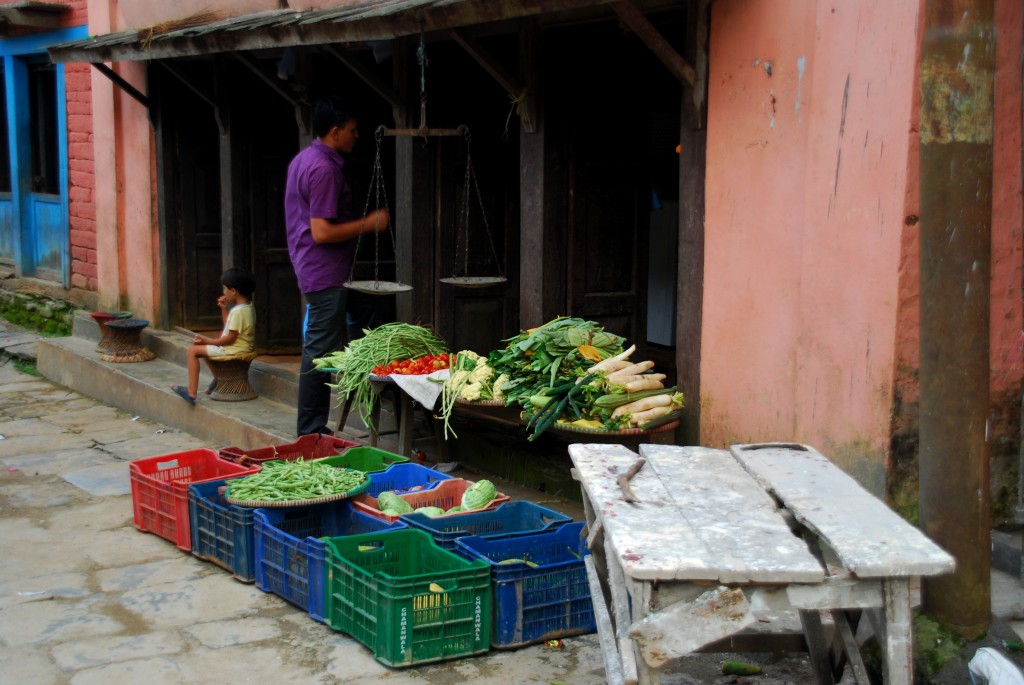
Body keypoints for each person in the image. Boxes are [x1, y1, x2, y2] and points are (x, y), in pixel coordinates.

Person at [284, 97, 389, 436]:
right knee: (318, 351)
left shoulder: (305, 159)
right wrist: (369, 223)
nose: (356, 136)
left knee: (366, 316)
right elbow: (322, 231)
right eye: (352, 130)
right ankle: (311, 429)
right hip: (324, 272)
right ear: (335, 131)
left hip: (329, 270)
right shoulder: (324, 169)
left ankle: (364, 387)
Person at [171, 267, 256, 405]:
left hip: (233, 349)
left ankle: (191, 392)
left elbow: (229, 339)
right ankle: (218, 379)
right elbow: (229, 327)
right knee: (203, 349)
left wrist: (208, 341)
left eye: (224, 289)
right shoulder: (248, 307)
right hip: (241, 347)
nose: (223, 292)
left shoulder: (238, 312)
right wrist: (224, 308)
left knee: (192, 351)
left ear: (233, 291)